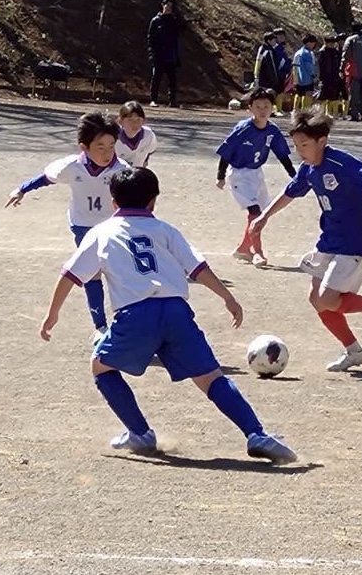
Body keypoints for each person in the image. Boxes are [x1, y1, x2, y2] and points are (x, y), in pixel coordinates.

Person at [39, 166, 297, 464]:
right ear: (154, 201)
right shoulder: (166, 230)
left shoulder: (101, 232)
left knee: (101, 367)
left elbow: (70, 275)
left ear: (113, 202)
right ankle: (256, 434)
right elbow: (198, 268)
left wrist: (52, 314)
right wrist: (227, 297)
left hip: (136, 314)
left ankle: (140, 433)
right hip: (176, 311)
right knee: (210, 377)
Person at [250, 109, 362, 372]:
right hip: (329, 240)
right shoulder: (308, 169)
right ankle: (355, 351)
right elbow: (290, 192)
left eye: (304, 145)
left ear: (322, 141)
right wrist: (264, 216)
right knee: (317, 300)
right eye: (296, 145)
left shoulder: (339, 162)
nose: (299, 151)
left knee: (327, 299)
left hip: (355, 241)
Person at [5, 113, 128, 341]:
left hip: (113, 227)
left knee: (120, 273)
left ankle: (129, 323)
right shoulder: (71, 166)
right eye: (100, 147)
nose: (107, 152)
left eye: (111, 146)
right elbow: (46, 178)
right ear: (84, 147)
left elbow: (136, 197)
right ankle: (101, 327)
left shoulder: (122, 169)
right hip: (83, 227)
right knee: (91, 274)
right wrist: (21, 189)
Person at [214, 87, 296, 267]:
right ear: (250, 108)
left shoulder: (272, 130)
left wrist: (293, 174)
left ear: (272, 108)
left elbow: (282, 154)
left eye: (266, 106)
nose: (262, 110)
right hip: (239, 174)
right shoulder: (243, 129)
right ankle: (258, 252)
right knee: (255, 212)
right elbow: (227, 151)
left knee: (262, 214)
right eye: (258, 106)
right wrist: (220, 176)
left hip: (257, 174)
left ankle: (244, 248)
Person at [147, 0, 181, 108]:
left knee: (172, 79)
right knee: (156, 78)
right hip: (158, 54)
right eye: (167, 5)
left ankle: (172, 101)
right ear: (163, 5)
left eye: (171, 6)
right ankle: (153, 100)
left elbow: (179, 33)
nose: (168, 8)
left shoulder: (174, 21)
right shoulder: (155, 21)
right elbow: (150, 39)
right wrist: (151, 54)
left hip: (170, 54)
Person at [341, 22, 362, 121]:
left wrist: (341, 68)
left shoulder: (351, 40)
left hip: (354, 70)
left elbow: (345, 55)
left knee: (354, 93)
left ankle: (354, 114)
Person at [115, 101, 158, 167]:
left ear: (143, 121)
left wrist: (145, 160)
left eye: (138, 119)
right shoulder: (114, 137)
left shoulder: (148, 135)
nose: (135, 124)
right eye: (130, 120)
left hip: (138, 170)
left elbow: (151, 149)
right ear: (121, 121)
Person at [315, 35, 343, 117]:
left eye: (333, 43)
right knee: (322, 96)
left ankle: (330, 112)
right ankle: (320, 112)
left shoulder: (336, 53)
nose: (331, 45)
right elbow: (318, 65)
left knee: (333, 96)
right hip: (324, 77)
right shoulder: (322, 53)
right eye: (329, 43)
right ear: (325, 43)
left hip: (334, 77)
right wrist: (319, 77)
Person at [292, 35, 318, 111]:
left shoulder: (298, 52)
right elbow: (309, 67)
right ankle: (305, 110)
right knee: (308, 94)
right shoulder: (307, 53)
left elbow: (294, 66)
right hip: (307, 78)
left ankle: (295, 110)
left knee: (299, 94)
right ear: (308, 43)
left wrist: (295, 79)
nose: (314, 45)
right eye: (313, 43)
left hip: (298, 77)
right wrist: (314, 75)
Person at [272, 27, 292, 116]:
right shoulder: (275, 48)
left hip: (283, 72)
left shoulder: (282, 47)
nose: (282, 37)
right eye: (279, 35)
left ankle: (279, 108)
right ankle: (275, 109)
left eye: (283, 35)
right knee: (276, 91)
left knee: (280, 91)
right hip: (277, 72)